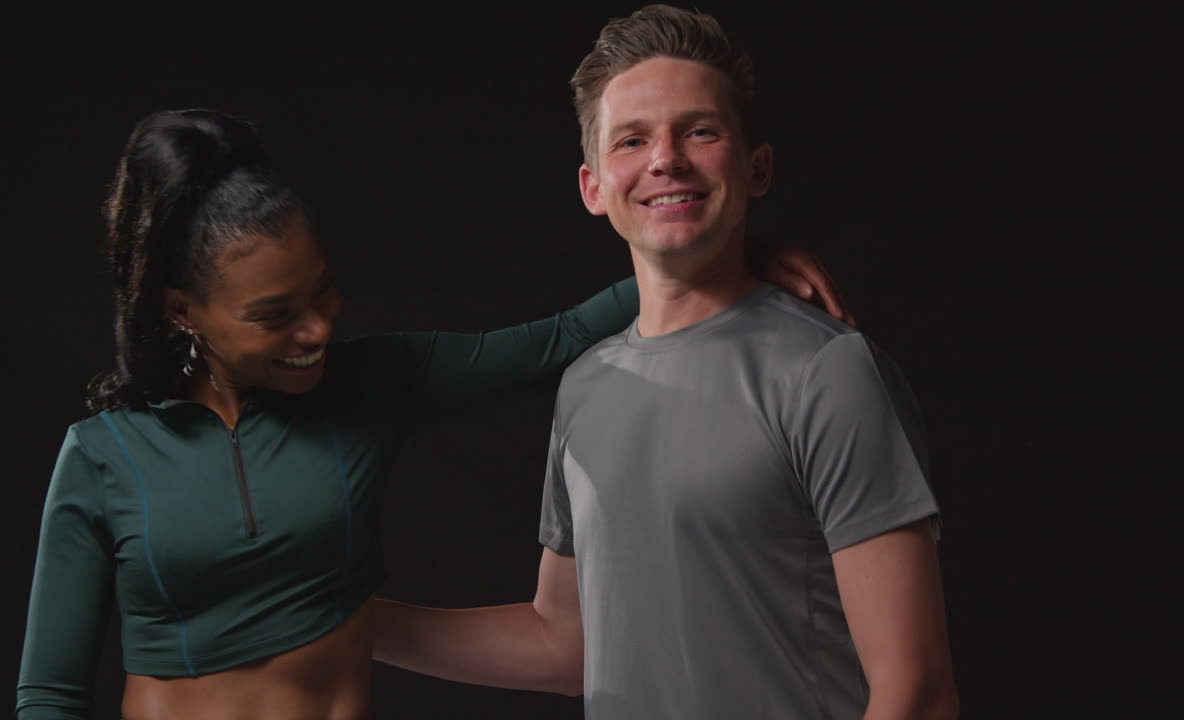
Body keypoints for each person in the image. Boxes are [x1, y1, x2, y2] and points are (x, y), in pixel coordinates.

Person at [14, 108, 848, 719]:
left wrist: (722, 260)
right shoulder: (102, 456)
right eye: (275, 315)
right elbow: (50, 692)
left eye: (324, 292)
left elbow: (557, 338)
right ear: (182, 311)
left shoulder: (371, 386)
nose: (318, 329)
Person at [372, 5, 959, 719]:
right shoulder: (587, 385)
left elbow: (917, 693)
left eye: (700, 130)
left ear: (757, 165)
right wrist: (342, 622)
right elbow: (566, 645)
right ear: (594, 187)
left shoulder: (828, 372)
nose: (665, 159)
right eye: (632, 140)